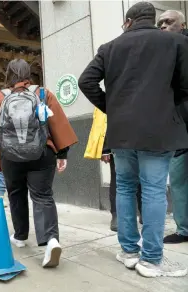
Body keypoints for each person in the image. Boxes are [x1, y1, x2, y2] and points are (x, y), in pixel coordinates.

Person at [78, 2, 188, 278]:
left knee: (125, 187)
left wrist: (110, 107)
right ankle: (150, 260)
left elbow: (86, 81)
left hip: (121, 131)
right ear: (152, 20)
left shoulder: (110, 47)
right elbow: (185, 88)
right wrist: (168, 111)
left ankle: (129, 252)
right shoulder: (175, 42)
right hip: (158, 131)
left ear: (128, 21)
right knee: (153, 190)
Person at [0, 59, 78, 268]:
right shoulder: (43, 95)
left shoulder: (0, 97)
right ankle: (51, 241)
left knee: (16, 193)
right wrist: (62, 154)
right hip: (41, 153)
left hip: (11, 157)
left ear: (8, 74)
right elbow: (58, 125)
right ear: (29, 74)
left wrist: (1, 146)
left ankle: (19, 236)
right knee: (43, 196)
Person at [157, 10, 188, 244]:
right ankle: (184, 229)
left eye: (169, 22)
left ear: (183, 24)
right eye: (160, 23)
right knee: (177, 180)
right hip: (178, 130)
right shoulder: (160, 53)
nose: (163, 26)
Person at [84, 108, 142, 232]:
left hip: (141, 139)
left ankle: (144, 213)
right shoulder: (113, 90)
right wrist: (105, 149)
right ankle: (117, 215)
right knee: (118, 179)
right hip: (119, 143)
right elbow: (104, 119)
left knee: (143, 178)